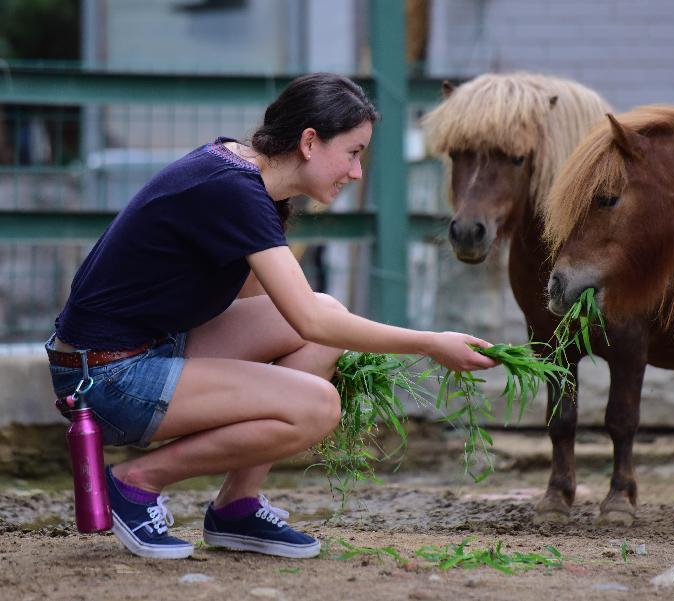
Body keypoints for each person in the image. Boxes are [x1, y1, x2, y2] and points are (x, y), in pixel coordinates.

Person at [46, 73, 496, 560]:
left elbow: (293, 313)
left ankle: (236, 507)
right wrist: (431, 343)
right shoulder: (235, 192)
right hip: (108, 377)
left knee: (327, 312)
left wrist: (253, 391)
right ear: (308, 142)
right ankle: (134, 484)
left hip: (141, 350)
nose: (357, 172)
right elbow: (308, 322)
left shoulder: (245, 178)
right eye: (353, 152)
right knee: (317, 406)